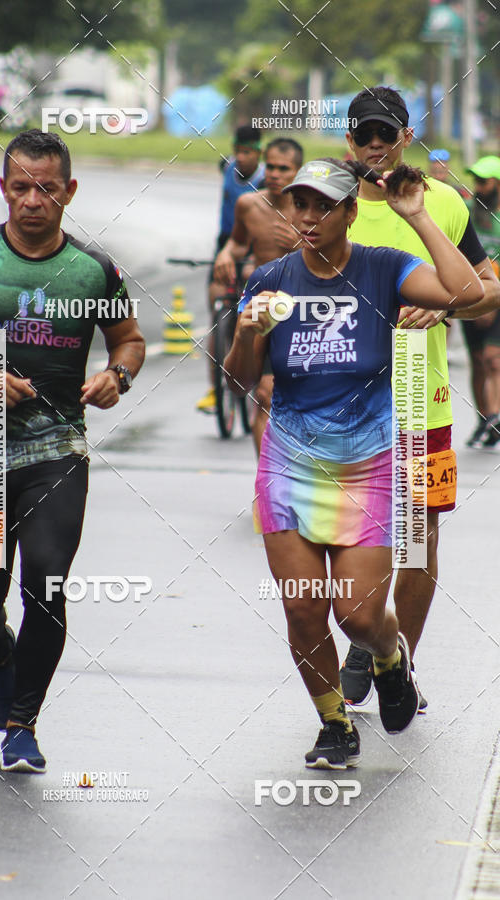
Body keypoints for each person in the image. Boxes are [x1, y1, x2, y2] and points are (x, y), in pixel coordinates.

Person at [224, 157, 483, 768]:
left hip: (369, 461)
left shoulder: (384, 267)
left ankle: (391, 660)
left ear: (349, 212)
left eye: (323, 205)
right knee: (302, 604)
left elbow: (469, 293)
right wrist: (245, 334)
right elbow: (240, 379)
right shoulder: (271, 279)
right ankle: (334, 722)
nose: (309, 217)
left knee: (359, 614)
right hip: (290, 459)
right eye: (300, 204)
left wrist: (417, 215)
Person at [0, 129, 145, 773]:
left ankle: (22, 723)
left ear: (69, 192)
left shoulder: (93, 269)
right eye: (20, 188)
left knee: (46, 578)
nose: (32, 201)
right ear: (4, 190)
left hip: (58, 448)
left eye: (46, 188)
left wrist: (115, 377)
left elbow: (129, 339)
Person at [338, 87, 500, 709]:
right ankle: (368, 630)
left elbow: (488, 286)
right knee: (348, 535)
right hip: (340, 403)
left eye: (387, 135)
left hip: (419, 398)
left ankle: (400, 659)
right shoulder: (329, 202)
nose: (376, 147)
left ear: (406, 137)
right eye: (365, 137)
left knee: (420, 535)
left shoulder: (443, 204)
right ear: (349, 142)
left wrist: (445, 305)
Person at [212, 137, 304, 451]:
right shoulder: (248, 204)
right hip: (260, 305)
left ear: (297, 172)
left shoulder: (310, 209)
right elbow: (238, 243)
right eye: (272, 167)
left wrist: (301, 244)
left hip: (300, 308)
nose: (276, 175)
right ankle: (265, 482)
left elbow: (335, 257)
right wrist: (226, 254)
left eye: (285, 169)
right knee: (263, 394)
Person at [196, 124, 265, 413]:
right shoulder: (227, 166)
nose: (241, 157)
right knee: (216, 307)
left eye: (248, 152)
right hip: (226, 243)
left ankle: (257, 373)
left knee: (251, 304)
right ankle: (214, 388)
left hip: (252, 246)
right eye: (238, 150)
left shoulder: (264, 180)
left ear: (258, 153)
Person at [461, 156, 500, 447]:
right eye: (475, 181)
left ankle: (496, 414)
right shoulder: (466, 212)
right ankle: (483, 419)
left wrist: (492, 303)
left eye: (484, 182)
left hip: (497, 298)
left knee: (492, 358)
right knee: (477, 361)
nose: (478, 187)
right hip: (470, 297)